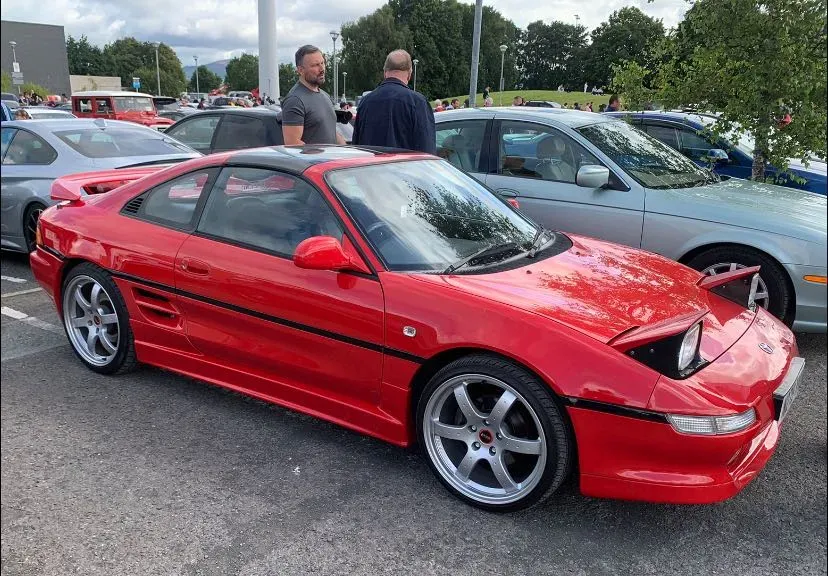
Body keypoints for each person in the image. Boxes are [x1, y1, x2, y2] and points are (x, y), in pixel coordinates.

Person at [352, 49, 436, 154]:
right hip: (405, 168)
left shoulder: (365, 102)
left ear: (385, 72)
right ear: (410, 73)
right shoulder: (418, 103)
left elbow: (357, 147)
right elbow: (426, 151)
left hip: (371, 169)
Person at [282, 44, 344, 145]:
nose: (322, 69)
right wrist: (319, 158)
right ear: (300, 70)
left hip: (332, 159)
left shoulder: (325, 96)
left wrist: (346, 153)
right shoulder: (295, 100)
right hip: (315, 161)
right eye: (315, 65)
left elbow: (331, 133)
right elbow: (292, 143)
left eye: (322, 63)